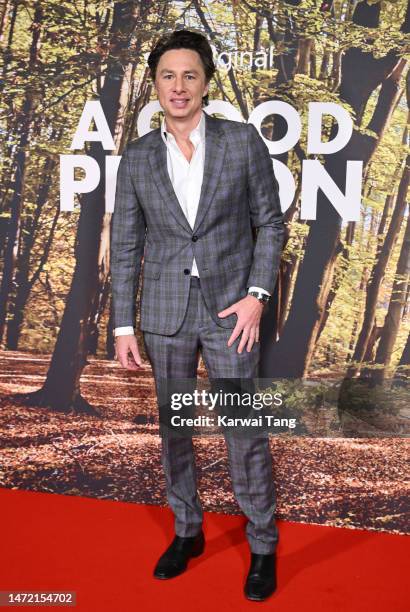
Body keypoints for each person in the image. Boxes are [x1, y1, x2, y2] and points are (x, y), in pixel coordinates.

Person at [110, 29, 285, 602]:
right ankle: (188, 532)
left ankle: (263, 545)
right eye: (167, 76)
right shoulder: (136, 158)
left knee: (244, 433)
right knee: (174, 432)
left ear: (205, 81)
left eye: (189, 75)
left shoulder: (241, 142)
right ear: (154, 86)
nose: (178, 86)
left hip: (233, 312)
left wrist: (257, 294)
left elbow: (271, 224)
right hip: (164, 316)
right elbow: (129, 245)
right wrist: (123, 326)